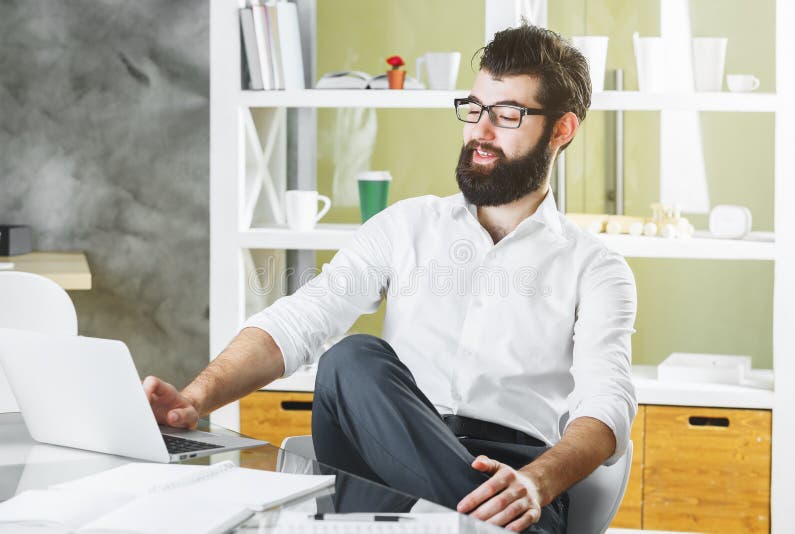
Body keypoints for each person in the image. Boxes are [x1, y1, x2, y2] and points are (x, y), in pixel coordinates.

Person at [144, 24, 636, 534]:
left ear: (561, 129)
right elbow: (300, 320)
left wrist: (538, 480)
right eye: (474, 109)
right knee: (353, 358)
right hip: (381, 468)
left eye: (507, 114)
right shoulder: (407, 224)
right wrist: (195, 399)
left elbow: (607, 402)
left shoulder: (596, 268)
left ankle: (483, 519)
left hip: (513, 478)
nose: (479, 133)